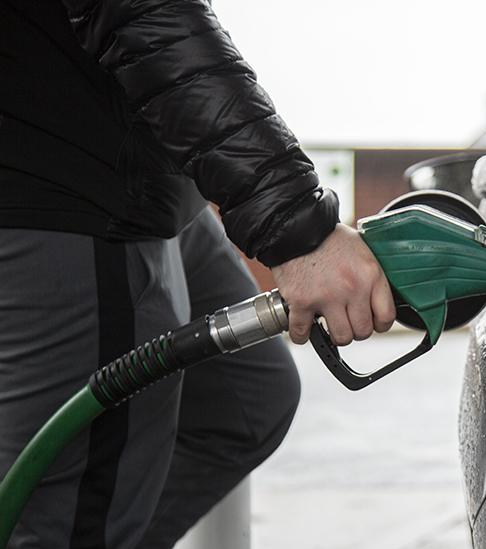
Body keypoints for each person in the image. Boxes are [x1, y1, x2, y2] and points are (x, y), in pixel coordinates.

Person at [0, 0, 396, 547]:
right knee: (66, 513)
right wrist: (298, 230)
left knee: (247, 404)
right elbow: (144, 12)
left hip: (152, 182)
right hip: (64, 191)